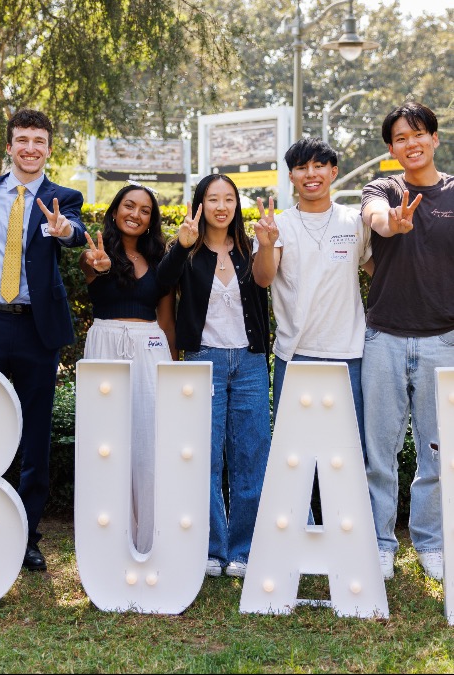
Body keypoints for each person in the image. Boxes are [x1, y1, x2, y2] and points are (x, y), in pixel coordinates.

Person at [0, 108, 86, 572]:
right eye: (22, 140)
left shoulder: (63, 196)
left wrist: (66, 230)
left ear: (49, 149)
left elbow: (74, 232)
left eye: (38, 141)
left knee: (35, 433)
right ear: (9, 146)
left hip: (36, 329)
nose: (30, 148)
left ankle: (26, 534)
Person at [156, 174, 271, 578]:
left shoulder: (251, 247)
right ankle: (210, 546)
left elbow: (266, 279)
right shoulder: (186, 248)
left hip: (250, 362)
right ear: (200, 204)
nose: (221, 207)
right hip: (202, 359)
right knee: (202, 455)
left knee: (250, 454)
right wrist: (180, 245)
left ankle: (244, 549)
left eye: (229, 199)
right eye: (213, 199)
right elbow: (160, 284)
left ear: (237, 205)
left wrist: (267, 245)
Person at [361, 101, 454, 582]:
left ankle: (430, 542)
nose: (411, 143)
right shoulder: (383, 189)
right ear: (391, 149)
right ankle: (380, 544)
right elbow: (376, 215)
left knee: (437, 452)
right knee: (379, 452)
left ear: (434, 138)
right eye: (401, 138)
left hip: (443, 340)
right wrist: (391, 223)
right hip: (385, 338)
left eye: (419, 134)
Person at [252, 137, 373, 456]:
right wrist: (266, 244)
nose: (311, 174)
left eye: (319, 166)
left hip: (349, 353)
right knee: (294, 457)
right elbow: (263, 278)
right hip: (296, 353)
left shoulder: (355, 221)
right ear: (291, 176)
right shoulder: (278, 225)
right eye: (301, 167)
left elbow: (380, 273)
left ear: (333, 172)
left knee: (348, 454)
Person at [79, 183, 177, 554]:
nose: (135, 214)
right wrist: (98, 264)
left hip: (151, 348)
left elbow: (167, 322)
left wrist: (173, 372)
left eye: (145, 210)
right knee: (104, 444)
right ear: (115, 210)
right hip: (105, 346)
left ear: (152, 220)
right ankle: (107, 540)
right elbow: (89, 263)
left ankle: (149, 537)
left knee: (149, 443)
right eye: (129, 206)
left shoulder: (161, 259)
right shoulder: (96, 250)